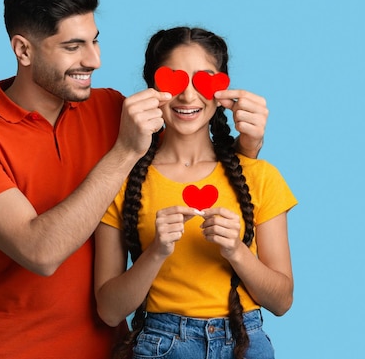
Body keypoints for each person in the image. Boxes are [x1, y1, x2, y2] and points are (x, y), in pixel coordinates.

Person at [0, 0, 269, 359]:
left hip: (116, 346)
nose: (94, 60)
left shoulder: (112, 107)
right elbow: (40, 252)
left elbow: (192, 169)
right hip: (14, 346)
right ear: (23, 50)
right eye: (73, 46)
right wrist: (125, 151)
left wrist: (250, 146)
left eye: (95, 41)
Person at [94, 27, 297, 359]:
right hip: (161, 345)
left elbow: (282, 301)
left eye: (204, 80)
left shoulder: (260, 176)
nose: (188, 96)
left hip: (246, 344)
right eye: (173, 81)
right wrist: (156, 251)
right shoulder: (122, 180)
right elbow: (109, 311)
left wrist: (236, 251)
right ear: (152, 89)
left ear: (223, 91)